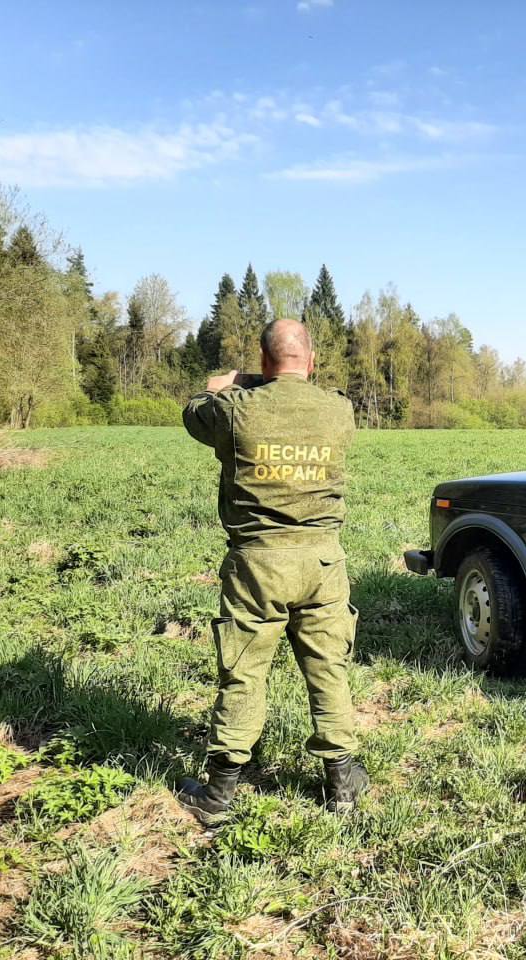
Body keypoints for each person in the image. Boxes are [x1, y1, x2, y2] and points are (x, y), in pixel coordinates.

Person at [175, 318, 368, 823]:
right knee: (329, 666)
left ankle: (218, 793)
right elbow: (309, 391)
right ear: (312, 360)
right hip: (324, 561)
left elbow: (194, 412)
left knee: (243, 671)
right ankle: (341, 781)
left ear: (262, 362)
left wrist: (230, 382)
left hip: (258, 563)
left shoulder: (234, 410)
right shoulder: (339, 411)